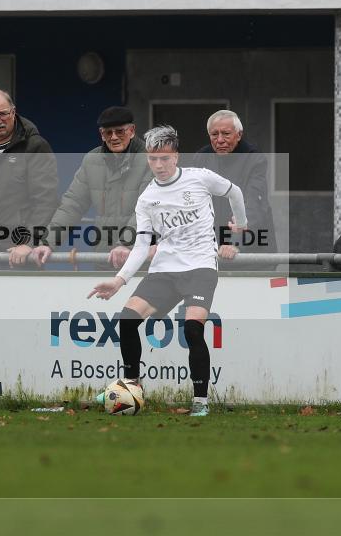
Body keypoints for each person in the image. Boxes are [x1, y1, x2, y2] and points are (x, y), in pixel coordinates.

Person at [88, 126, 248, 417]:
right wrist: (119, 280)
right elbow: (140, 246)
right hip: (164, 270)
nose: (159, 165)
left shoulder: (199, 178)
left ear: (176, 156)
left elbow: (234, 191)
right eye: (152, 159)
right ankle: (131, 386)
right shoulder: (147, 198)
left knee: (192, 329)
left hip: (200, 267)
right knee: (126, 320)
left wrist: (241, 220)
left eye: (164, 158)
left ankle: (200, 402)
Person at [30, 106, 153, 268]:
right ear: (102, 135)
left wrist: (125, 244)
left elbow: (147, 209)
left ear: (131, 131)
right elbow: (71, 205)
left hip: (141, 259)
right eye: (108, 133)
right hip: (103, 258)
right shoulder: (91, 160)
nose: (114, 137)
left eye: (120, 131)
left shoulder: (151, 160)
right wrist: (48, 242)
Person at [0, 90, 57, 267]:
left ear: (13, 112)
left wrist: (28, 242)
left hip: (20, 255)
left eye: (3, 114)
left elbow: (46, 201)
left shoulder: (34, 146)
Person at [192, 110, 276, 260]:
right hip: (211, 249)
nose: (220, 140)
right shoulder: (201, 158)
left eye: (226, 134)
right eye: (214, 134)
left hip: (252, 249)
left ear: (239, 134)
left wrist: (235, 243)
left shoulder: (254, 159)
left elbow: (254, 205)